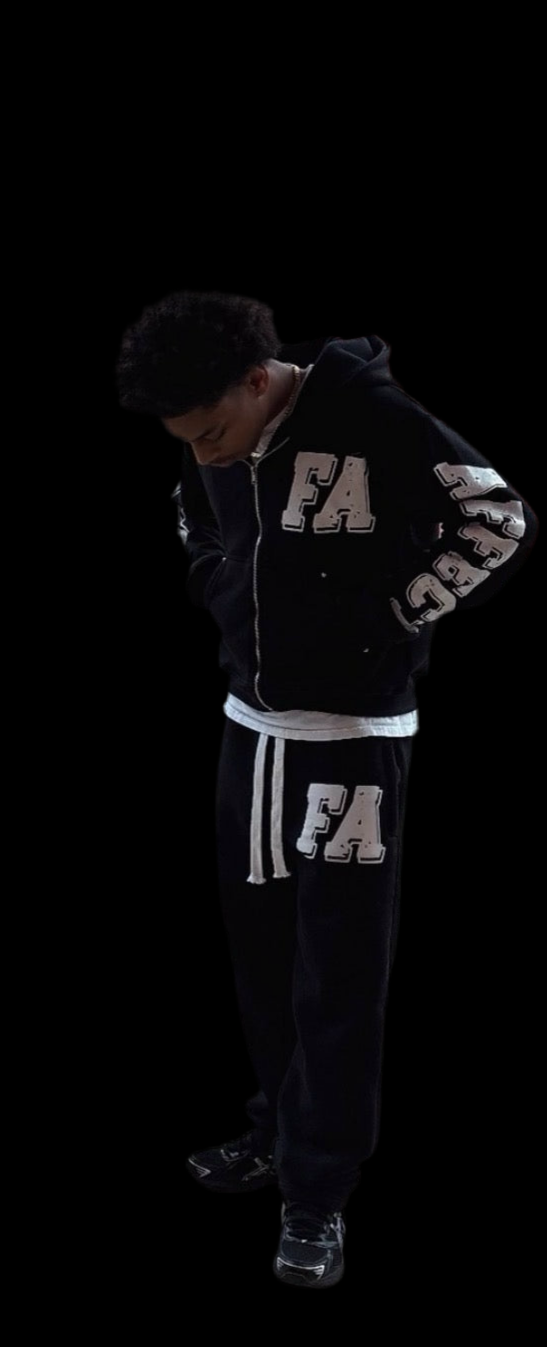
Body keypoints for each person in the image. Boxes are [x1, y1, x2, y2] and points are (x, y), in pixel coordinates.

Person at [115, 290, 537, 1290]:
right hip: (250, 735)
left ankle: (318, 1194)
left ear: (258, 380)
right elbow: (200, 516)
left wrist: (395, 613)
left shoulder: (375, 415)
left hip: (351, 747)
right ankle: (277, 1130)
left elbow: (500, 517)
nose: (205, 454)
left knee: (337, 976)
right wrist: (218, 580)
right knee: (263, 961)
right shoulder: (213, 437)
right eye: (188, 441)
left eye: (213, 432)